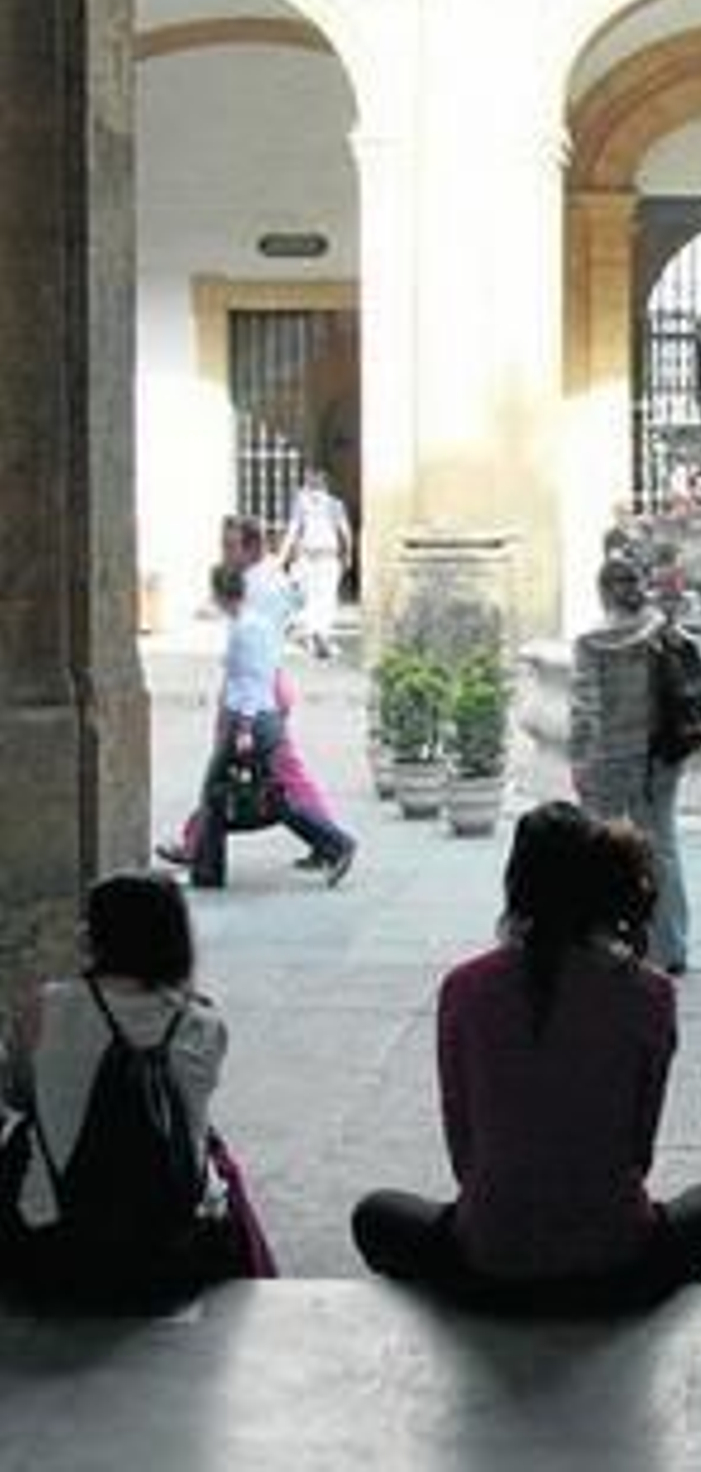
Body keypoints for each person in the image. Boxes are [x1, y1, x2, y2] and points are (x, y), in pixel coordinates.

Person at [350, 803, 701, 1310]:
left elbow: (464, 1153)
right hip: (616, 1255)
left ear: (514, 884)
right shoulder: (649, 993)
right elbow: (637, 1152)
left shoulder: (466, 988)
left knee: (376, 1216)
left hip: (490, 1258)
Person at [0, 873, 276, 1304]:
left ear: (96, 936)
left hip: (56, 1250)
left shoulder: (45, 1006)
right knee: (214, 1149)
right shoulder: (204, 1025)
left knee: (22, 1137)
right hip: (178, 1255)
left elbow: (17, 1095)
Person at [189, 565, 357, 887]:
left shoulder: (245, 629)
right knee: (273, 797)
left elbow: (252, 680)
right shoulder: (252, 623)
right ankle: (335, 844)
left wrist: (244, 728)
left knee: (215, 792)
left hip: (251, 720)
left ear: (221, 595)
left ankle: (208, 871)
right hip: (261, 719)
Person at [569, 554, 690, 973]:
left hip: (608, 759)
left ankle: (602, 941)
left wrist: (579, 760)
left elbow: (585, 709)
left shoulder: (590, 642)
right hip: (660, 756)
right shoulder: (662, 630)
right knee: (663, 846)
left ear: (603, 591)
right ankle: (670, 948)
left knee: (600, 850)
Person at [282, 467, 352, 659]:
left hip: (312, 556)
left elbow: (292, 531)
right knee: (324, 598)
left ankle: (315, 636)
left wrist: (282, 558)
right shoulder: (334, 504)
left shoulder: (304, 504)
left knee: (314, 597)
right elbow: (345, 532)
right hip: (325, 556)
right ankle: (320, 636)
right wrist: (349, 554)